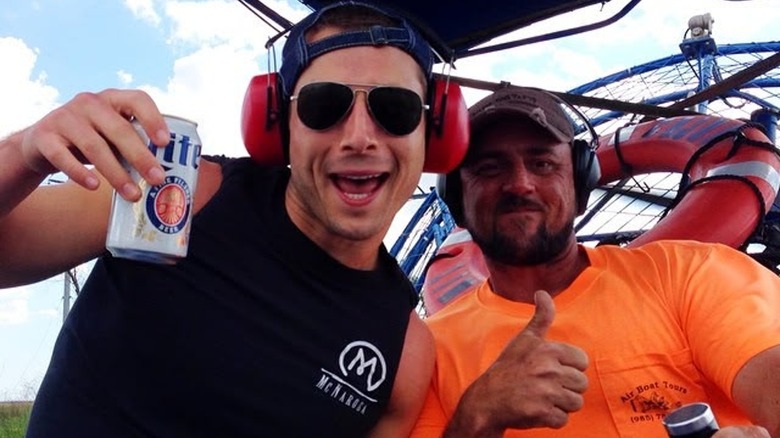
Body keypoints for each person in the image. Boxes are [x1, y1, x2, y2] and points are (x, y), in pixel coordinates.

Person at [0, 2, 467, 436]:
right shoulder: (176, 193)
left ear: (436, 133)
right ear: (281, 126)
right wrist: (22, 156)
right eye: (324, 106)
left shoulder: (404, 354)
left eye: (397, 109)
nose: (361, 137)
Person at [410, 86, 780, 437]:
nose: (520, 183)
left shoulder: (691, 272)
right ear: (457, 195)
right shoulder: (427, 352)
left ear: (581, 182)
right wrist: (477, 416)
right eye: (490, 168)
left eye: (542, 163)